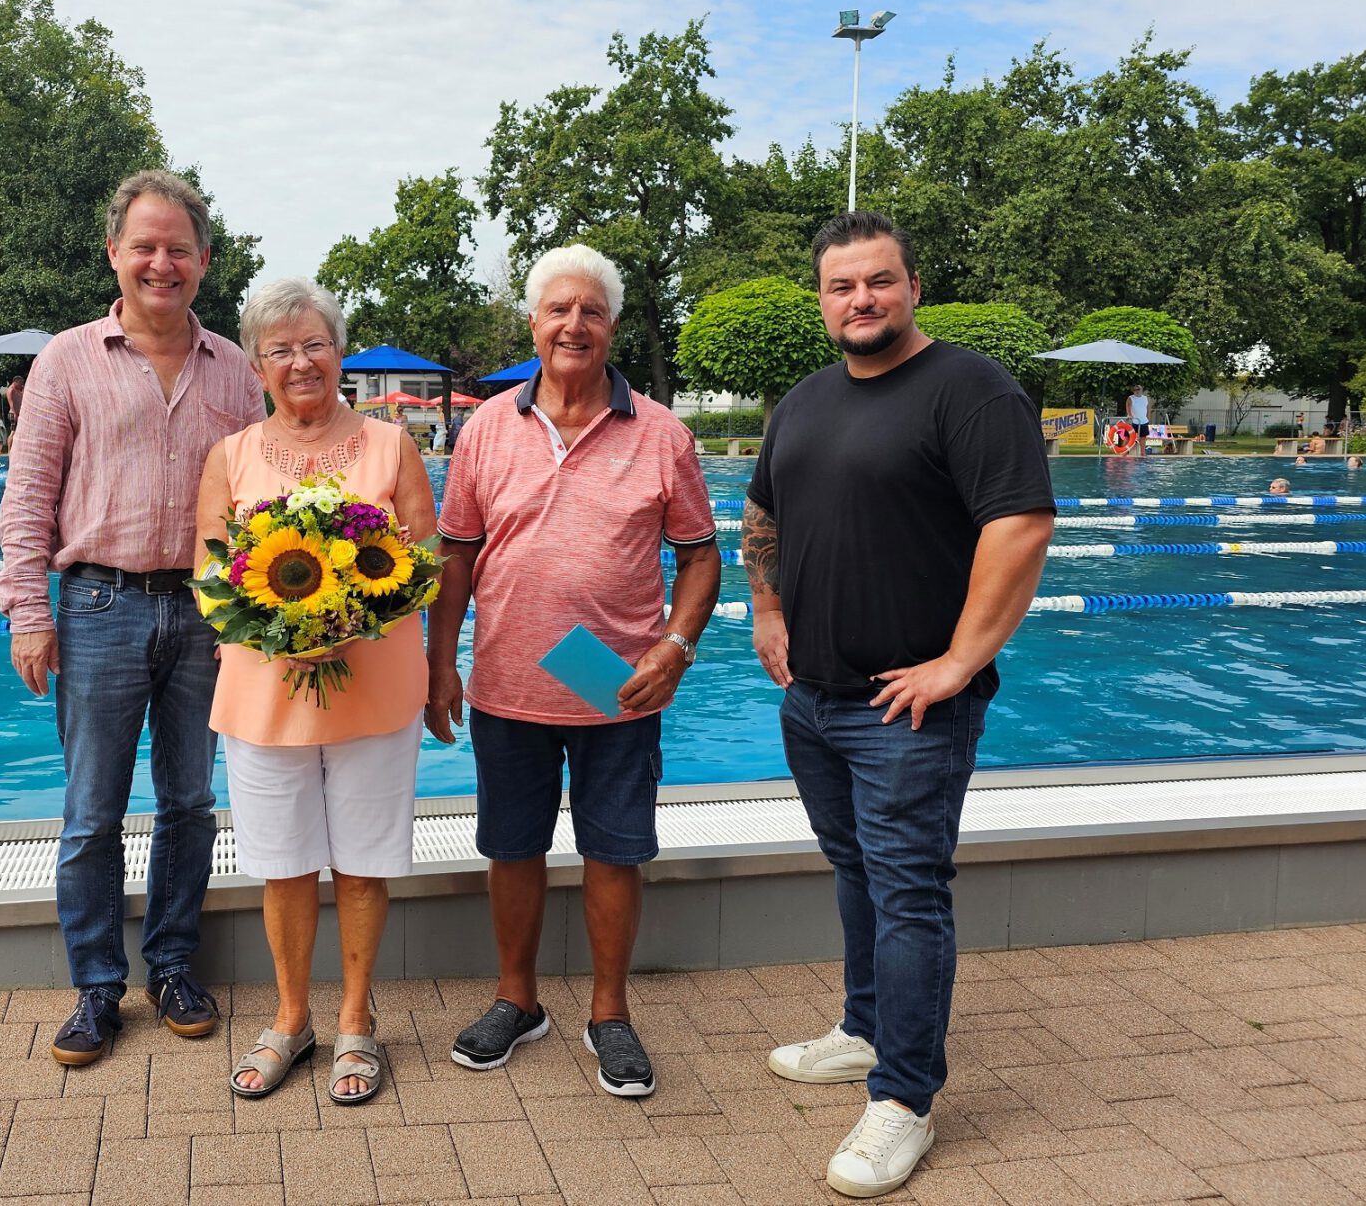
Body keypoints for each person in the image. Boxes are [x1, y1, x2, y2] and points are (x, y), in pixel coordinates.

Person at [743, 211, 1054, 1198]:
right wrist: (766, 607)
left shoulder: (970, 390)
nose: (861, 300)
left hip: (908, 709)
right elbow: (764, 510)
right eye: (843, 287)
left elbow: (1021, 526)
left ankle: (905, 1099)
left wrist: (960, 662)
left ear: (913, 287)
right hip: (816, 699)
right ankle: (866, 1026)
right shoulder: (803, 400)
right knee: (857, 872)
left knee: (909, 891)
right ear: (823, 300)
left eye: (879, 282)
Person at [428, 244, 720, 1100]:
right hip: (509, 681)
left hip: (613, 684)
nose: (574, 324)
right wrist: (440, 662)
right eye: (559, 309)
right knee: (511, 848)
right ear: (532, 321)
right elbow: (456, 559)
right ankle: (516, 1001)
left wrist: (675, 647)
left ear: (613, 326)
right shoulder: (486, 428)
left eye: (592, 310)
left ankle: (609, 1014)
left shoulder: (661, 431)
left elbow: (702, 559)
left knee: (613, 852)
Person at [0, 169, 264, 1067]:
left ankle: (175, 965)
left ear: (204, 261)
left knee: (189, 802)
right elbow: (29, 494)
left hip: (203, 612)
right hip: (99, 604)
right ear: (114, 253)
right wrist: (30, 610)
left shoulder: (235, 368)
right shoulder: (66, 359)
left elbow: (262, 503)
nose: (161, 263)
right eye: (143, 246)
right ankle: (97, 987)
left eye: (177, 248)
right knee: (91, 811)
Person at [196, 278, 433, 1106]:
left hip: (373, 686)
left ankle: (357, 1021)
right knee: (284, 866)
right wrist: (279, 626)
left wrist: (355, 616)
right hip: (265, 693)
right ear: (258, 364)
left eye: (315, 344)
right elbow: (209, 573)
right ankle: (293, 1017)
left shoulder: (390, 447)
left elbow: (423, 564)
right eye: (280, 349)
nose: (301, 362)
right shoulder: (230, 455)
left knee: (364, 864)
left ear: (339, 351)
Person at [1125, 384, 1150, 457]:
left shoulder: (1145, 398)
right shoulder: (1130, 398)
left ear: (1141, 390)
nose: (1136, 391)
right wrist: (1129, 414)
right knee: (1127, 437)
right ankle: (1124, 454)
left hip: (1143, 421)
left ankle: (1143, 454)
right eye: (1135, 390)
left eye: (1138, 389)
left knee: (1143, 439)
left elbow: (1148, 409)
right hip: (1133, 421)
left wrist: (1148, 419)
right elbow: (1128, 406)